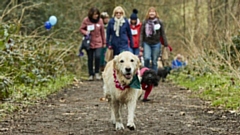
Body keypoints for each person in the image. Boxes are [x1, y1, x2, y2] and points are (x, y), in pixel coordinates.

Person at [79, 7, 106, 81]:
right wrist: (86, 32)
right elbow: (81, 29)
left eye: (97, 14)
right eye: (94, 14)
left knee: (97, 57)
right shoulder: (86, 20)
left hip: (98, 42)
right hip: (89, 42)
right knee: (90, 58)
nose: (96, 16)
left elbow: (102, 32)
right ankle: (91, 74)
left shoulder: (100, 21)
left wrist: (104, 42)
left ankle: (97, 72)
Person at [140, 7, 168, 72]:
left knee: (154, 61)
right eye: (150, 12)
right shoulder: (145, 22)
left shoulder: (159, 22)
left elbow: (162, 33)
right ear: (148, 13)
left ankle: (154, 76)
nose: (152, 13)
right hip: (147, 43)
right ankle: (145, 73)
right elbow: (142, 34)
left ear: (155, 13)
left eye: (153, 12)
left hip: (156, 43)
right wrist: (140, 45)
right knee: (146, 58)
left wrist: (166, 44)